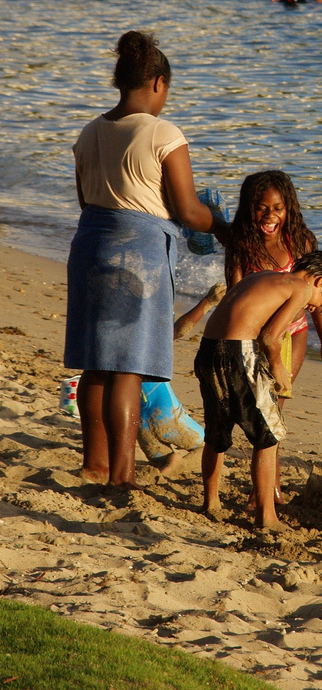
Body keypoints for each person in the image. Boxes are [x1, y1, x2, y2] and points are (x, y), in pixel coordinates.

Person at [64, 30, 230, 489]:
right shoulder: (163, 133)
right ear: (158, 83)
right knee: (128, 367)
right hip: (136, 259)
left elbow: (86, 200)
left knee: (96, 364)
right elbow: (190, 210)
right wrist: (222, 226)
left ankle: (93, 464)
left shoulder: (90, 131)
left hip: (89, 247)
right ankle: (122, 475)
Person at [194, 250, 322, 530]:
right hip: (238, 353)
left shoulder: (264, 277)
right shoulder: (300, 288)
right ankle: (266, 516)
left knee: (217, 433)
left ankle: (211, 503)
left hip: (208, 351)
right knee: (269, 436)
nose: (316, 309)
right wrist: (278, 368)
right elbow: (269, 337)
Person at [226, 170, 322, 502]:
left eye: (278, 208)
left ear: (289, 208)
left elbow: (315, 297)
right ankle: (263, 487)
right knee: (258, 411)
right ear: (249, 209)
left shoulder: (300, 242)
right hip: (253, 338)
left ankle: (268, 488)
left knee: (276, 409)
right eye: (261, 208)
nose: (270, 216)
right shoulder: (242, 244)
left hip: (295, 334)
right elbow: (234, 295)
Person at [138, 282, 226, 476]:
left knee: (162, 459)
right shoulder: (153, 312)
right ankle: (181, 466)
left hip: (138, 420)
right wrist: (208, 302)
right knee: (213, 447)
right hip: (165, 411)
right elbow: (177, 331)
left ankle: (171, 462)